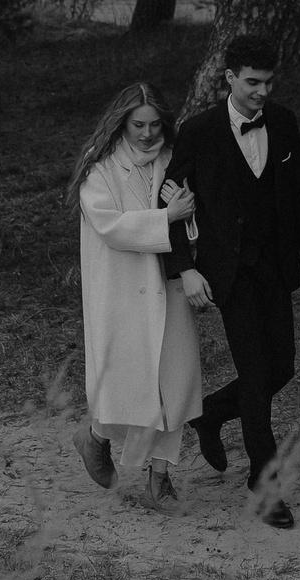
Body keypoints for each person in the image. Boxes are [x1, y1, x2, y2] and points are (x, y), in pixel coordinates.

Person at [162, 32, 300, 528]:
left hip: (275, 265)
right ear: (230, 78)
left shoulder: (284, 122)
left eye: (269, 82)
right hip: (229, 272)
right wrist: (186, 267)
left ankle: (212, 412)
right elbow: (169, 206)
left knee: (282, 368)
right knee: (256, 376)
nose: (262, 91)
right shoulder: (198, 131)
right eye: (253, 82)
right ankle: (265, 481)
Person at [69, 81, 202, 506]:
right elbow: (110, 226)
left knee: (173, 382)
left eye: (155, 124)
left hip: (168, 284)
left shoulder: (173, 159)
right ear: (121, 123)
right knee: (124, 382)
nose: (147, 134)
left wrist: (186, 215)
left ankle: (159, 478)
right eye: (138, 125)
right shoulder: (100, 167)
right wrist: (167, 217)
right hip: (121, 287)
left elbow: (192, 219)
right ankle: (95, 437)